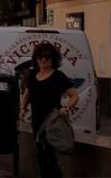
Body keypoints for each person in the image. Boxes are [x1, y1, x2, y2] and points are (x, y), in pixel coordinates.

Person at [18, 41, 80, 178]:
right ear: (36, 59)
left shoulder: (58, 76)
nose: (43, 60)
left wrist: (66, 107)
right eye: (40, 57)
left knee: (49, 155)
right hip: (37, 122)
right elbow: (26, 94)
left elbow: (75, 96)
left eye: (47, 57)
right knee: (41, 155)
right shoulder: (33, 75)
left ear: (53, 59)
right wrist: (23, 107)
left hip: (52, 121)